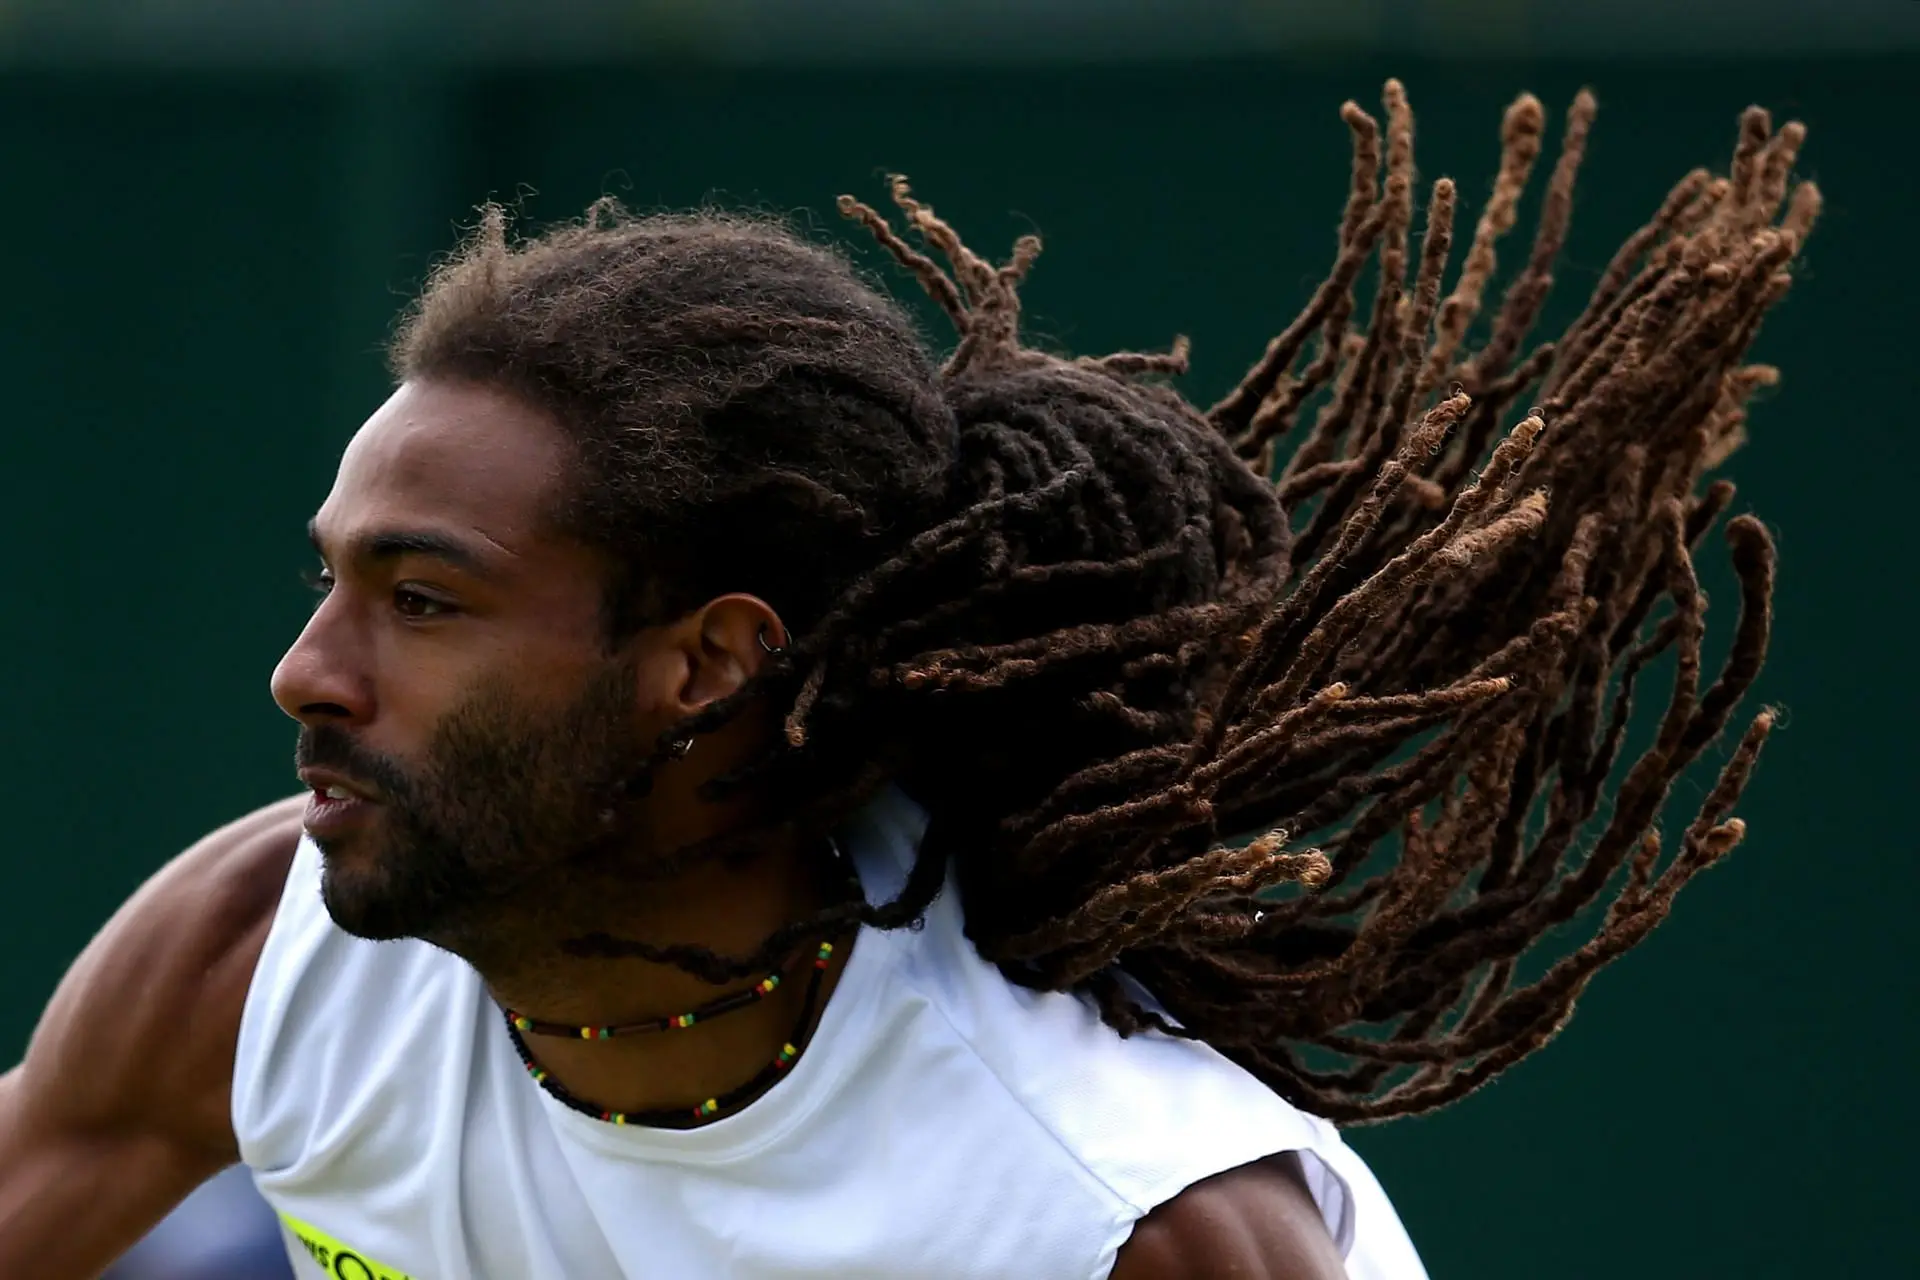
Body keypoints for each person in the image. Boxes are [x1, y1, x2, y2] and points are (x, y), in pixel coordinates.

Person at [0, 80, 1814, 1279]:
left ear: (705, 663)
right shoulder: (259, 961)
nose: (308, 673)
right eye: (332, 582)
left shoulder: (1107, 1213)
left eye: (426, 600)